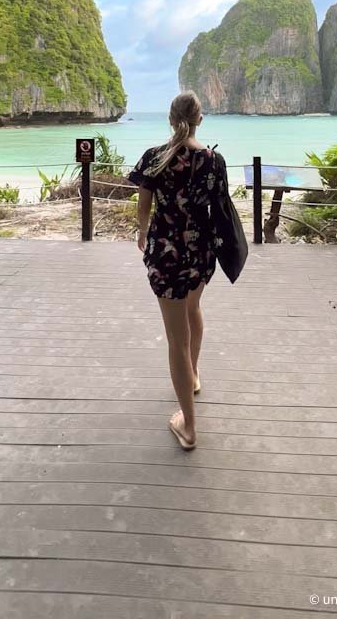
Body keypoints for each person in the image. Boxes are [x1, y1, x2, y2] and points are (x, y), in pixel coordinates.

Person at [127, 91, 226, 451]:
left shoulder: (155, 158)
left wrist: (141, 232)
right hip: (200, 253)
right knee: (193, 310)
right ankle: (193, 376)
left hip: (166, 255)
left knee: (175, 338)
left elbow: (144, 204)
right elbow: (220, 209)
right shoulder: (213, 160)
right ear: (200, 118)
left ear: (171, 119)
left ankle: (189, 425)